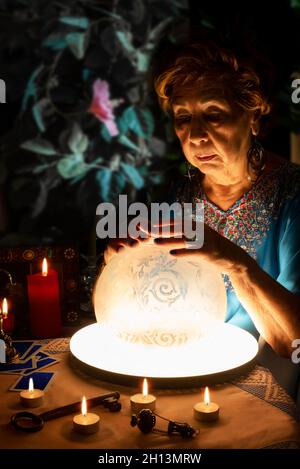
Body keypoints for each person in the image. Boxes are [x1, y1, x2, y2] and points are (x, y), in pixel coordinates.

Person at [103, 42, 300, 396]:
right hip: (188, 368)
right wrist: (127, 267)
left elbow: (292, 344)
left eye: (213, 114)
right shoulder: (181, 193)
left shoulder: (292, 195)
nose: (195, 136)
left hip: (263, 383)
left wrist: (235, 263)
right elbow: (161, 298)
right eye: (183, 118)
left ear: (253, 117)